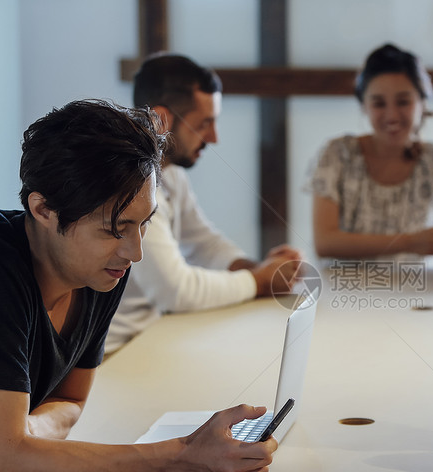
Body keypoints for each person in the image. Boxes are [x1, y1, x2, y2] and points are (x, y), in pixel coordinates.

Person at [0, 100, 277, 472]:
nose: (135, 251)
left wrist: (17, 436)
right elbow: (8, 470)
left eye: (143, 224)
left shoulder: (100, 270)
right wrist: (185, 458)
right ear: (43, 208)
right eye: (116, 229)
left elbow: (70, 403)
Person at [106, 53, 302, 353]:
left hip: (153, 337)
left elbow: (202, 242)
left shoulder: (171, 175)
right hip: (114, 354)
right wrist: (257, 282)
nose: (214, 137)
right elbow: (175, 291)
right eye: (204, 123)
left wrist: (260, 268)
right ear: (161, 120)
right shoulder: (132, 185)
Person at [306, 43, 433, 280]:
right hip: (342, 293)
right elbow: (325, 242)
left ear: (422, 103)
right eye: (378, 103)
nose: (392, 115)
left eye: (403, 101)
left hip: (414, 294)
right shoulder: (337, 154)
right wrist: (409, 242)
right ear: (364, 106)